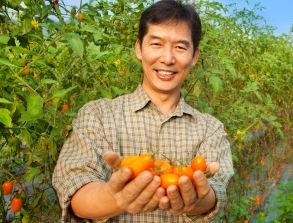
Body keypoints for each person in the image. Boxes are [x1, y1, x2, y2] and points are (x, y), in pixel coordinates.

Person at [52, 0, 234, 222]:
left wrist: (198, 199)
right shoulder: (98, 115)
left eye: (180, 47)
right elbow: (75, 185)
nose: (167, 58)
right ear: (139, 48)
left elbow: (217, 191)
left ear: (195, 56)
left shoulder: (210, 129)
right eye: (156, 44)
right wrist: (114, 198)